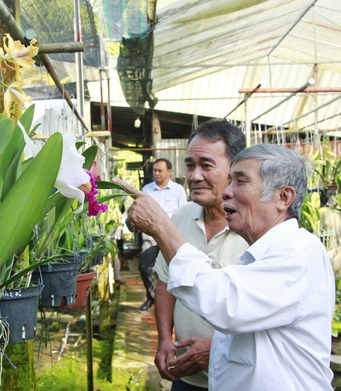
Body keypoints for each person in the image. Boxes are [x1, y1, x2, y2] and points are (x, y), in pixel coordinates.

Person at [114, 144, 335, 390]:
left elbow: (223, 301)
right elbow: (261, 337)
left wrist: (161, 226)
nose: (227, 191)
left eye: (240, 181)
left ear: (283, 197)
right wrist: (219, 345)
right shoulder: (266, 251)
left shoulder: (296, 254)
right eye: (230, 180)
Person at [153, 119, 248, 391]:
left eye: (206, 165)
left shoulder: (254, 229)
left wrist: (216, 347)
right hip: (187, 376)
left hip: (238, 378)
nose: (194, 176)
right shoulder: (180, 218)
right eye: (190, 165)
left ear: (235, 168)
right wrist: (164, 340)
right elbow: (165, 283)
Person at [139, 158, 187, 311]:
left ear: (169, 172)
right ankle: (152, 296)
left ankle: (177, 303)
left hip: (171, 235)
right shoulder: (146, 190)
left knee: (176, 269)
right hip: (151, 235)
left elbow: (184, 213)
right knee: (144, 267)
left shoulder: (178, 190)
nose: (156, 173)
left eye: (160, 170)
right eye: (155, 171)